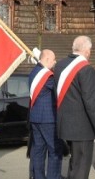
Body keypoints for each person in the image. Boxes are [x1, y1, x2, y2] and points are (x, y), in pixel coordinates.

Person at [53, 35, 95, 179]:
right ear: (87, 50)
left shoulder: (59, 65)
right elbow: (92, 102)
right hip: (82, 128)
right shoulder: (86, 69)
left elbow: (56, 94)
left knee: (74, 164)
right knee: (81, 167)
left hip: (65, 124)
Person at [28, 49, 62, 179]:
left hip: (35, 117)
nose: (54, 62)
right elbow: (58, 88)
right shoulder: (47, 76)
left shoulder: (33, 72)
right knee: (54, 150)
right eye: (53, 60)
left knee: (38, 151)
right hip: (48, 119)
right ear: (47, 59)